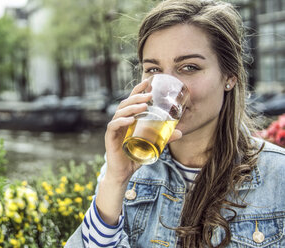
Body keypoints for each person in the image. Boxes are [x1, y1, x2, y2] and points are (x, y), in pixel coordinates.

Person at [66, 0, 285, 247]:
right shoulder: (125, 170)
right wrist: (115, 180)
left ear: (229, 77)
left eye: (189, 67)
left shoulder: (278, 176)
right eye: (153, 69)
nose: (167, 92)